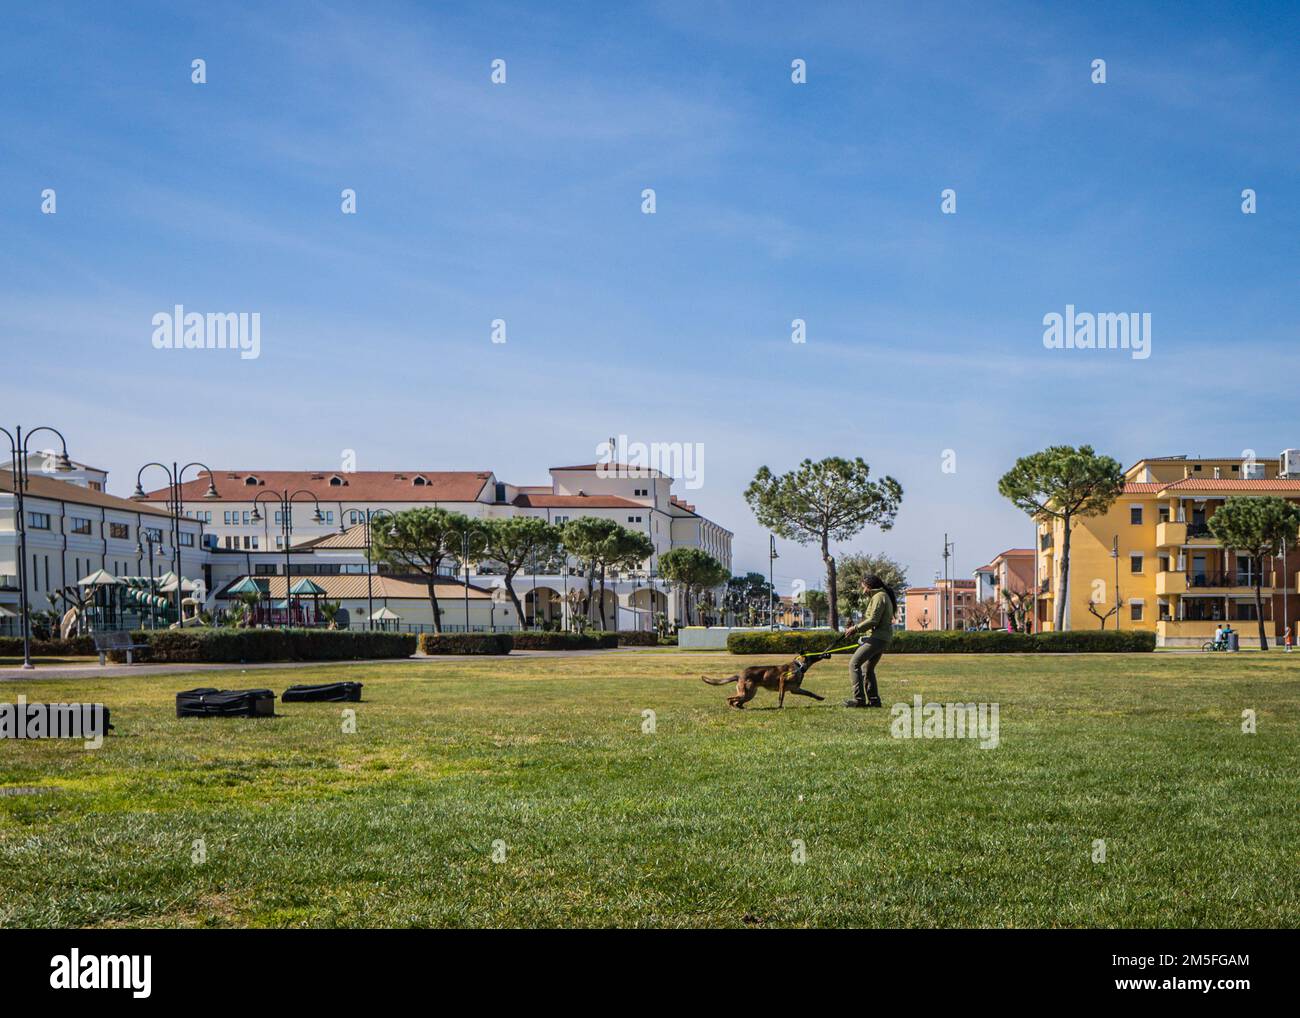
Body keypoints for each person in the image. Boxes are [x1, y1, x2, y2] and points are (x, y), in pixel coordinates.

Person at [841, 574, 897, 708]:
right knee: (868, 668)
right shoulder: (881, 596)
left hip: (878, 638)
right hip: (881, 637)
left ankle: (859, 700)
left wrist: (855, 629)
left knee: (854, 664)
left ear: (870, 587)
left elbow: (873, 620)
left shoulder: (879, 597)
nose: (863, 591)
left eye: (864, 588)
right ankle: (874, 701)